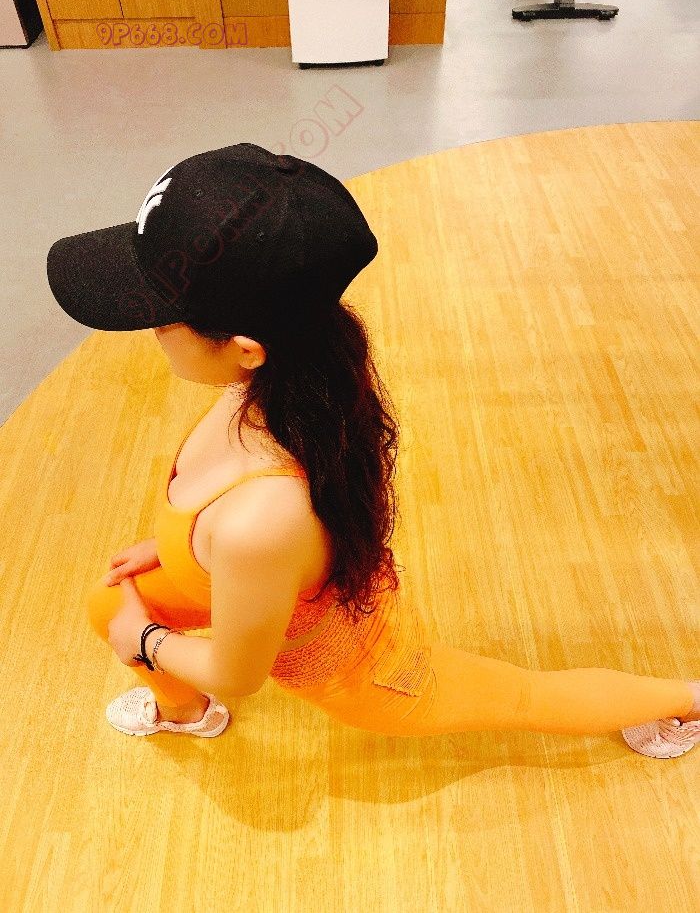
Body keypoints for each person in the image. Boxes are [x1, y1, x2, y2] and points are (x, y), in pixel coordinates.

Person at [46, 143, 700, 758]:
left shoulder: (259, 520)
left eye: (161, 318)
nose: (151, 333)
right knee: (109, 599)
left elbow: (236, 674)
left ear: (245, 349)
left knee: (526, 697)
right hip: (275, 579)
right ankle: (185, 712)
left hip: (366, 676)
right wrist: (177, 549)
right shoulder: (287, 380)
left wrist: (146, 640)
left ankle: (684, 699)